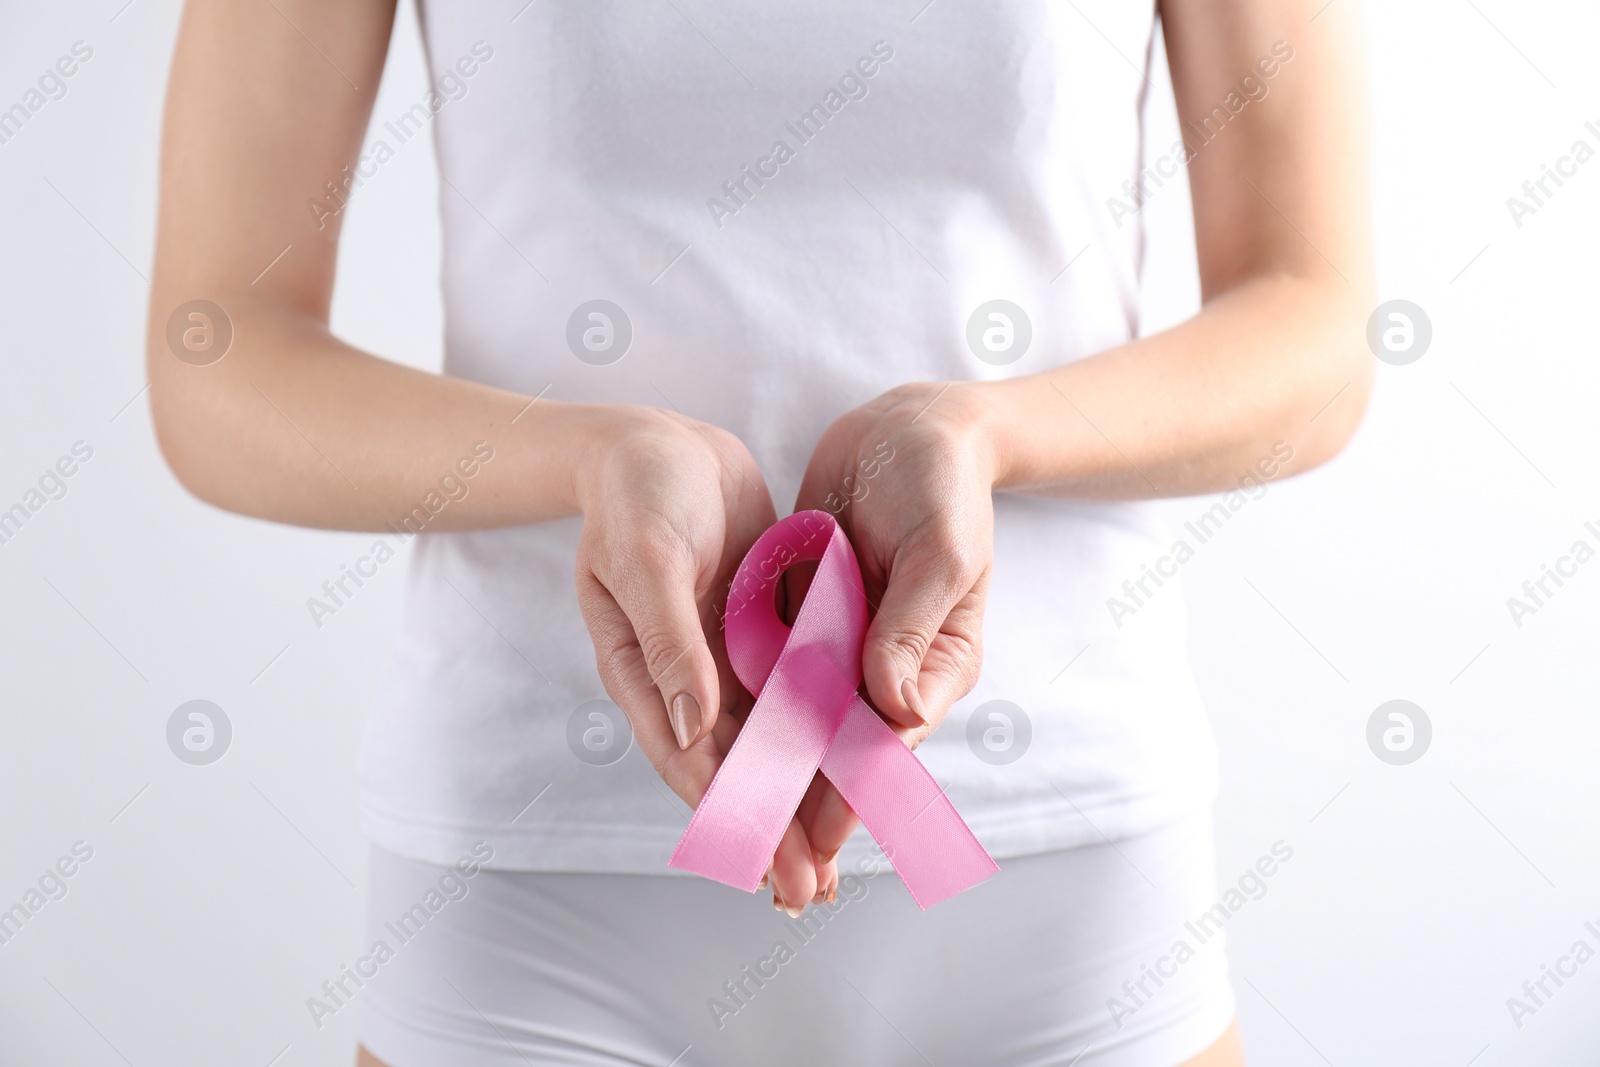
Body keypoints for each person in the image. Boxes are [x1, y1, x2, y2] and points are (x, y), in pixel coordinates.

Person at [148, 0, 1370, 1063]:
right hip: (534, 880)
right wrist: (592, 455)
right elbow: (217, 355)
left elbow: (1312, 323)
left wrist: (986, 432)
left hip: (1067, 874)